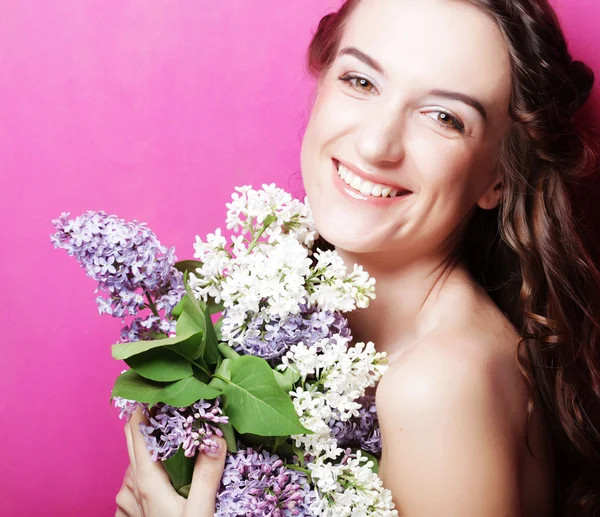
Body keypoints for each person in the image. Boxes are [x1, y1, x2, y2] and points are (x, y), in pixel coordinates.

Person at [115, 0, 600, 515]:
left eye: (444, 117)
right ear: (322, 82)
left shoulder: (437, 386)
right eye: (362, 82)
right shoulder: (278, 297)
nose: (375, 145)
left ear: (498, 176)